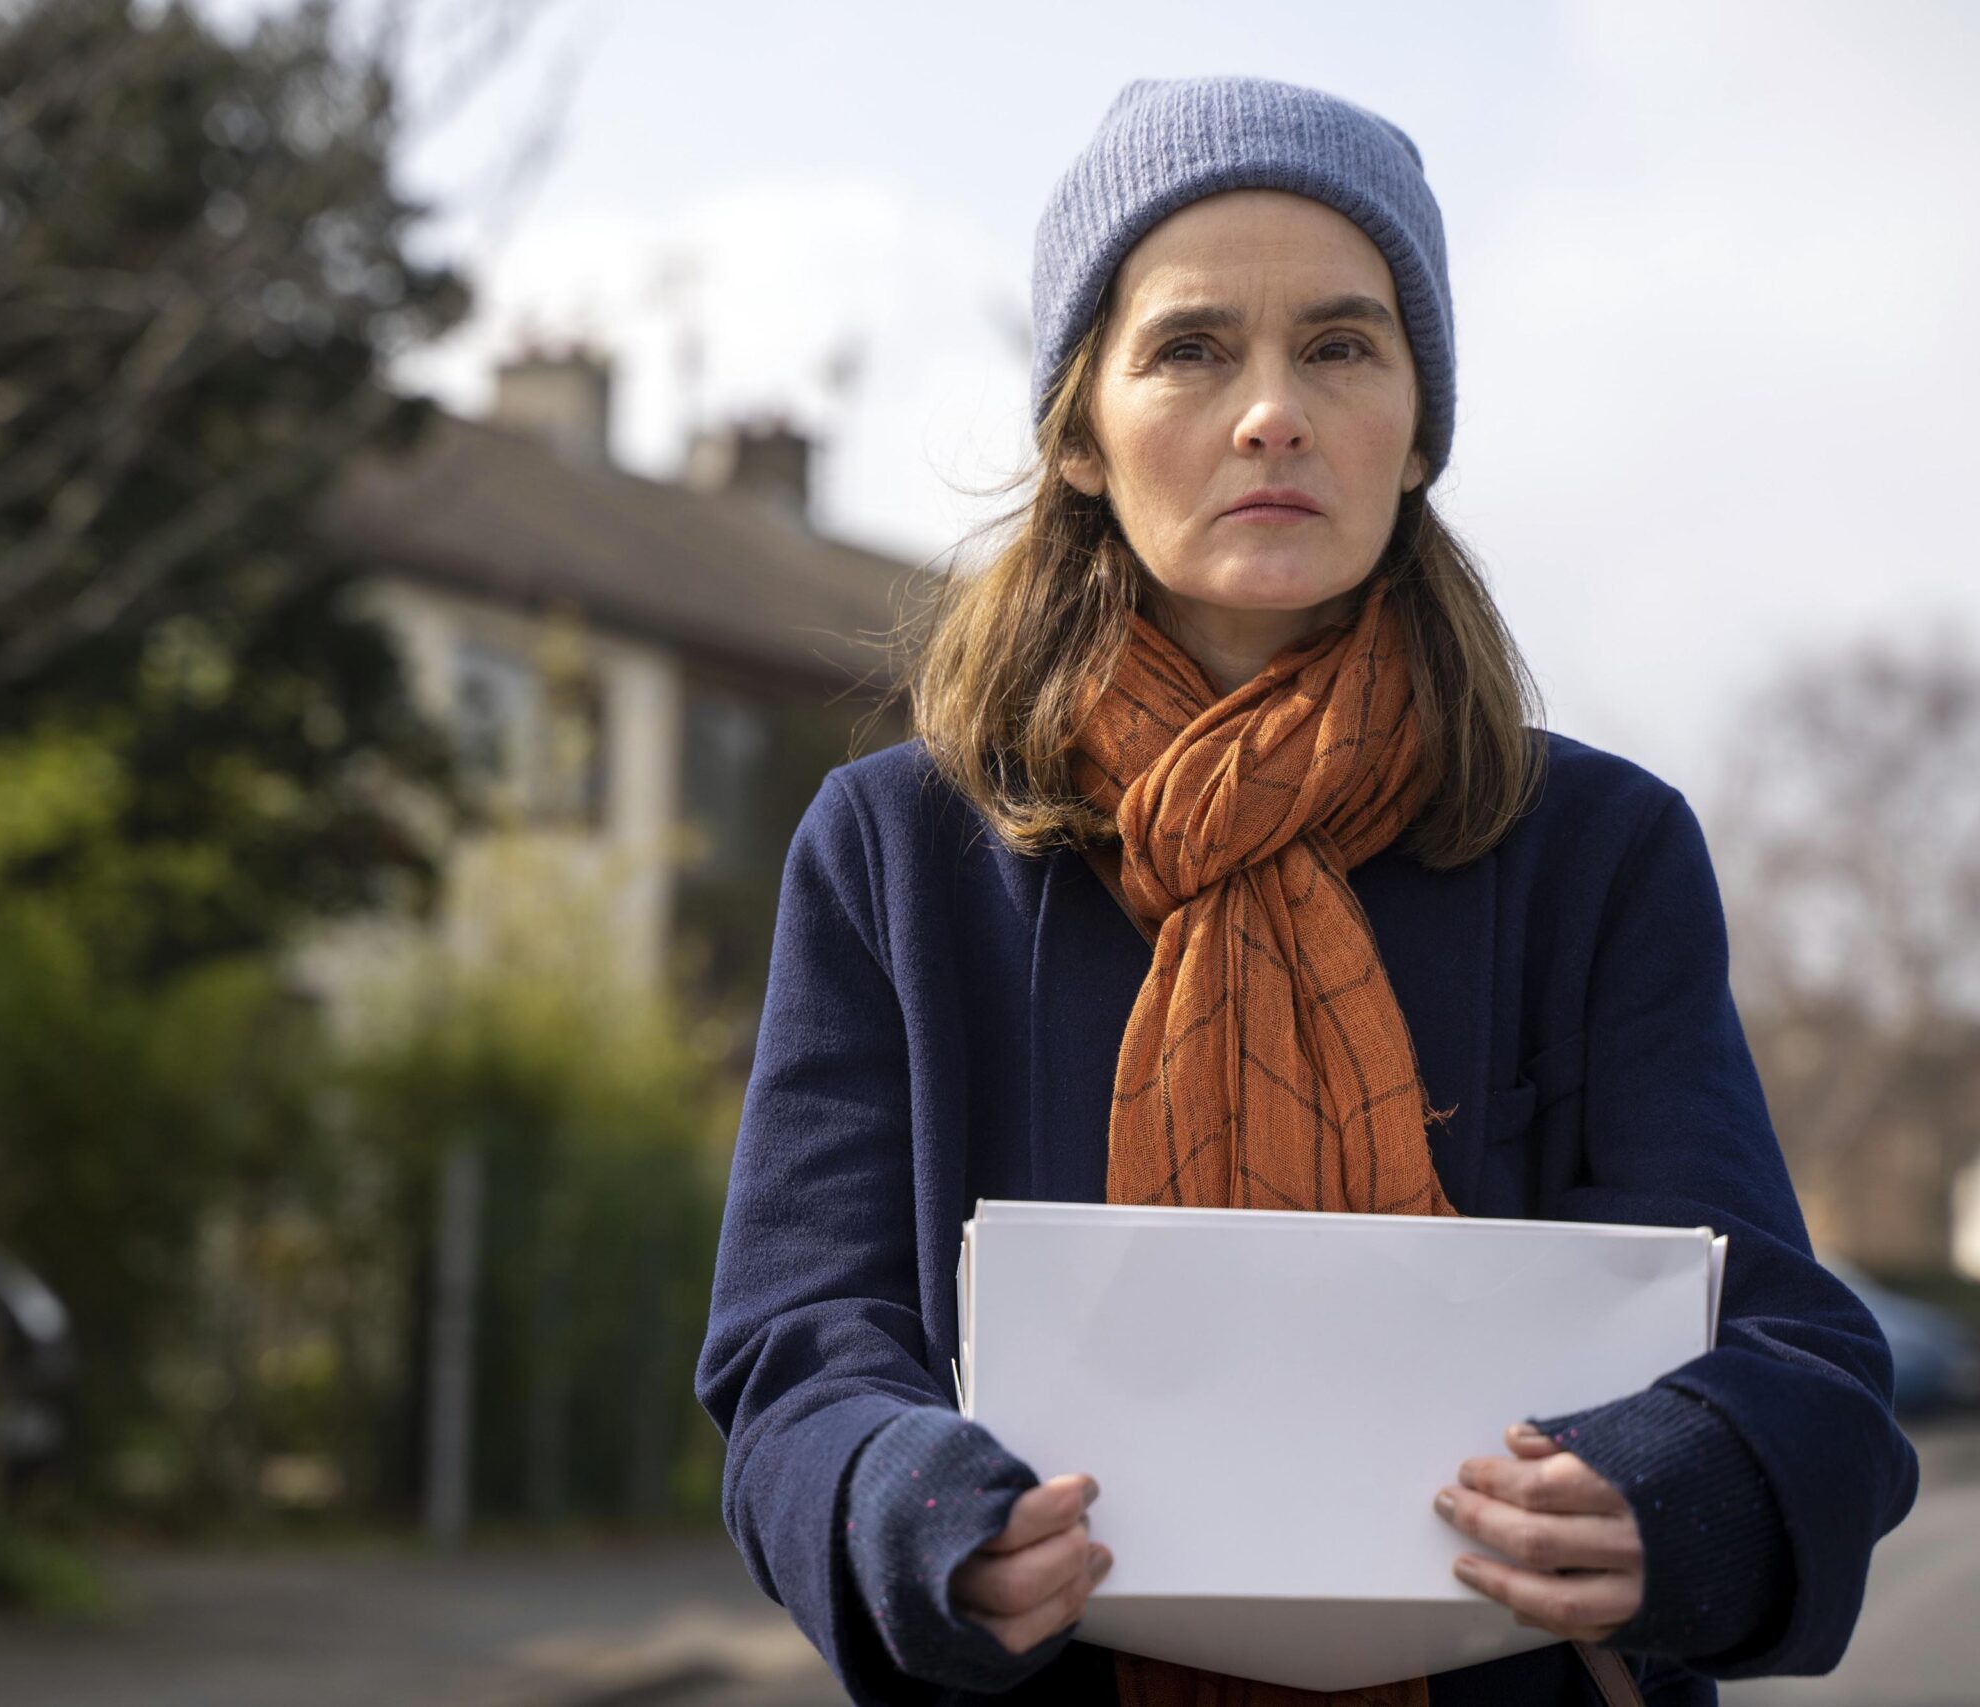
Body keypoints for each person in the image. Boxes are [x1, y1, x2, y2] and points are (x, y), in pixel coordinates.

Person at [693, 73, 1917, 1707]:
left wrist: (1676, 1494)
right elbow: (795, 1361)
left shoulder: (1599, 855)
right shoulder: (893, 857)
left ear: (1417, 430)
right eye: (1191, 348)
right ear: (1076, 430)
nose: (1271, 410)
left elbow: (1803, 1367)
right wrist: (917, 1518)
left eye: (1341, 347)